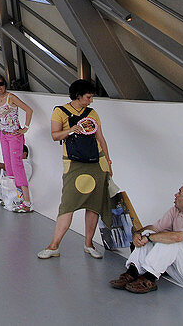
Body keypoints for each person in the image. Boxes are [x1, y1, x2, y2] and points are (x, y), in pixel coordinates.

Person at [37, 79, 113, 260]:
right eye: (88, 97)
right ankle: (54, 245)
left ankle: (89, 244)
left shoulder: (92, 113)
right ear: (78, 96)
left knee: (94, 205)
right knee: (68, 204)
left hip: (97, 162)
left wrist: (108, 162)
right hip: (74, 163)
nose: (91, 100)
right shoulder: (60, 111)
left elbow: (101, 139)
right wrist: (72, 129)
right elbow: (55, 136)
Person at [110, 184, 183, 294]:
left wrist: (149, 238)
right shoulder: (176, 211)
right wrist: (138, 234)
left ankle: (148, 279)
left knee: (171, 240)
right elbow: (154, 228)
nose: (175, 195)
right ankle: (132, 273)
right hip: (181, 271)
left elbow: (177, 237)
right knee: (150, 233)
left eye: (179, 193)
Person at [0, 74, 33, 212]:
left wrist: (25, 129)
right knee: (8, 166)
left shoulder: (11, 98)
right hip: (3, 135)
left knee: (17, 166)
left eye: (1, 83)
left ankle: (27, 202)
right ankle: (15, 196)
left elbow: (28, 110)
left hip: (14, 136)